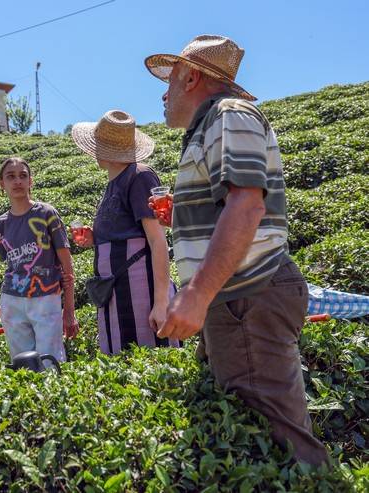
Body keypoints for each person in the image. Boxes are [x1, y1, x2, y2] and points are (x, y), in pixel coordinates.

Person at [144, 35, 328, 465]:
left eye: (170, 80)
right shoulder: (210, 125)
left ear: (191, 78)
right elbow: (232, 205)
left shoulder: (230, 115)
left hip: (245, 294)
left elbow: (246, 205)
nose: (164, 93)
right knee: (251, 442)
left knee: (283, 447)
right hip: (233, 298)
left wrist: (196, 294)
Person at [70, 110, 179, 354]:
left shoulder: (139, 176)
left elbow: (157, 239)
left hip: (141, 292)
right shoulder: (113, 183)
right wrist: (94, 239)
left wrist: (161, 302)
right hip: (115, 295)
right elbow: (122, 233)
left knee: (148, 361)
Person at [0, 157, 78, 365]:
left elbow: (67, 266)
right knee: (22, 363)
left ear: (31, 181)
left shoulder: (47, 214)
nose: (17, 181)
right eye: (10, 177)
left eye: (23, 176)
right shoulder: (0, 225)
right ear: (2, 184)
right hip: (12, 299)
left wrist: (69, 310)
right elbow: (11, 265)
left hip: (46, 297)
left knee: (50, 361)